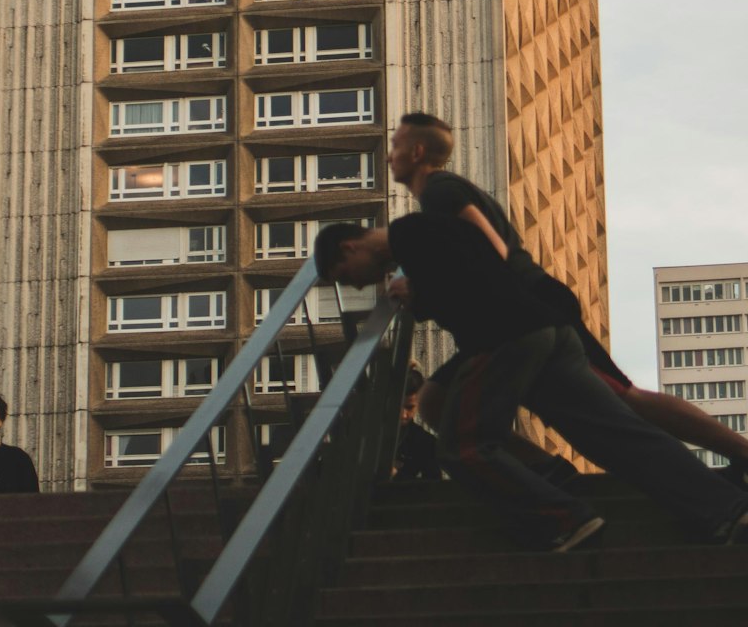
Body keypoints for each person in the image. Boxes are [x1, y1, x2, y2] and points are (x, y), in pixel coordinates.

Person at [314, 217, 748, 554]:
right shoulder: (431, 235)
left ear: (349, 246)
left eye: (344, 272)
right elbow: (479, 269)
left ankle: (563, 519)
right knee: (618, 436)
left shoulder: (410, 234)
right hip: (549, 332)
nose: (356, 283)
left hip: (506, 338)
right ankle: (723, 511)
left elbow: (464, 283)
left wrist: (416, 292)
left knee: (463, 445)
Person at [389, 111, 748, 486]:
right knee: (435, 400)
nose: (389, 154)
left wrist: (419, 285)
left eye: (395, 145)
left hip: (531, 309)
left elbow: (490, 248)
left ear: (416, 152)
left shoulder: (439, 190)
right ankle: (547, 469)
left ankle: (741, 453)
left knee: (626, 398)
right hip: (505, 321)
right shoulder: (441, 191)